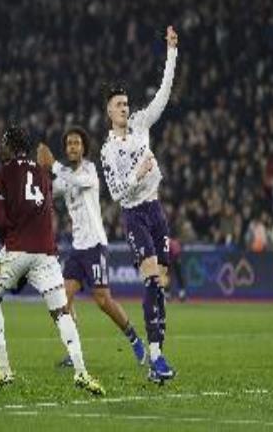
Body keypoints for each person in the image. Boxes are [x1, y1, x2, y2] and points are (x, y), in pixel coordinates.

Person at [0, 125, 104, 395]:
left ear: (12, 145)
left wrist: (10, 243)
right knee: (61, 312)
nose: (1, 148)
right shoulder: (41, 172)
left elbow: (0, 218)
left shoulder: (4, 171)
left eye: (4, 143)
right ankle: (81, 372)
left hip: (16, 248)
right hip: (46, 253)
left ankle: (4, 368)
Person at [100, 26, 178, 384]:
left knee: (161, 285)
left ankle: (157, 356)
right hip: (134, 216)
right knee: (151, 281)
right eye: (119, 105)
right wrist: (138, 171)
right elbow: (117, 193)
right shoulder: (108, 150)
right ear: (109, 111)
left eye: (126, 103)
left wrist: (172, 52)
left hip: (156, 210)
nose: (125, 108)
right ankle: (156, 358)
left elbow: (163, 93)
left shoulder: (141, 124)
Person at [37, 126, 146, 368]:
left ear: (83, 148)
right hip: (77, 248)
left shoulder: (89, 170)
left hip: (95, 245)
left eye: (77, 143)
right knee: (63, 300)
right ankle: (74, 352)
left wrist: (53, 165)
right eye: (69, 144)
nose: (73, 147)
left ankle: (134, 338)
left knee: (103, 301)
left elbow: (74, 179)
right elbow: (48, 192)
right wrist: (38, 172)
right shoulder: (64, 177)